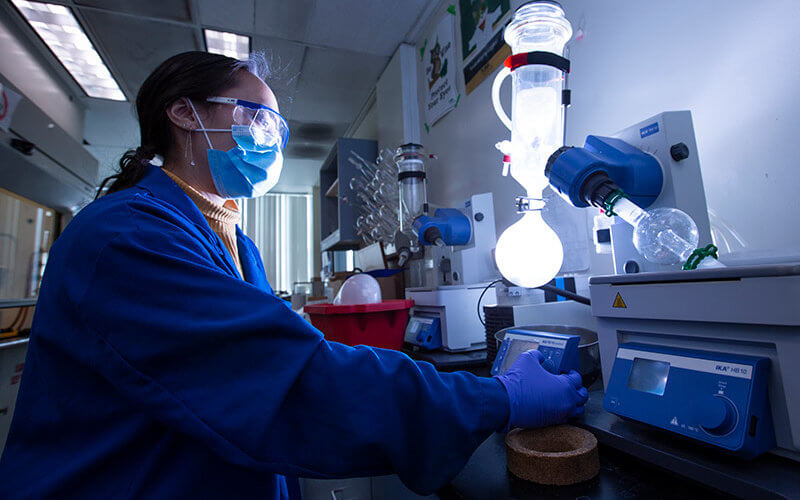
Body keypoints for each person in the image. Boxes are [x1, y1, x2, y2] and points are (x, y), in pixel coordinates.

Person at [0, 51, 587, 499]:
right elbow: (289, 379)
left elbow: (272, 359)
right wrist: (494, 397)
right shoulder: (127, 238)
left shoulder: (234, 241)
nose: (270, 140)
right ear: (184, 113)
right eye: (258, 116)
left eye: (277, 129)